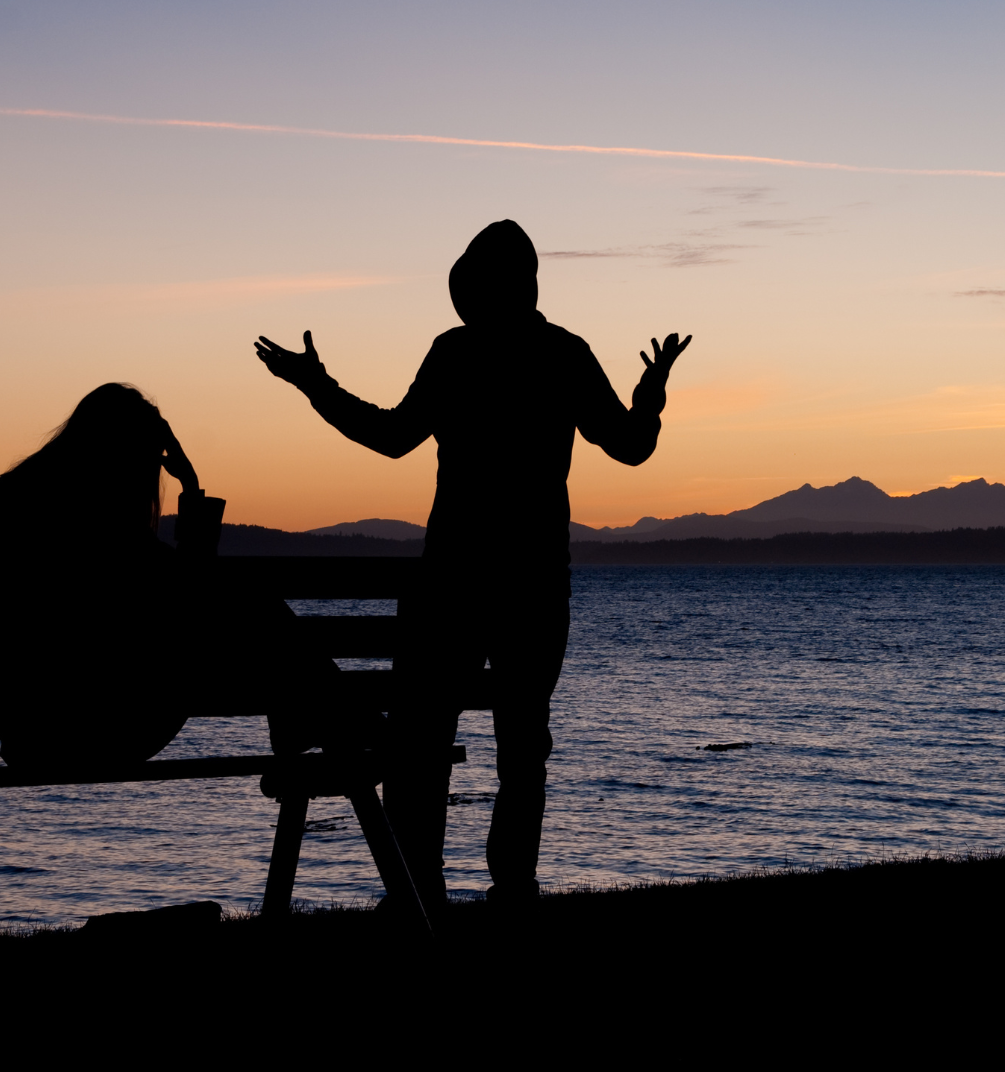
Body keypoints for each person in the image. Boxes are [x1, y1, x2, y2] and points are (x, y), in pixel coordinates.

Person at [254, 218, 689, 909]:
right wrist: (650, 396)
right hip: (535, 583)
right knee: (523, 745)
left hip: (451, 580)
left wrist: (316, 386)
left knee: (423, 741)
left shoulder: (455, 353)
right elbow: (631, 446)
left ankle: (416, 886)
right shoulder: (562, 353)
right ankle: (511, 887)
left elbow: (392, 436)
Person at [0, 382, 215, 768]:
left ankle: (315, 710)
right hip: (116, 729)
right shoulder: (111, 528)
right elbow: (194, 584)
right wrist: (191, 485)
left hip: (28, 733)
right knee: (240, 604)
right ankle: (318, 710)